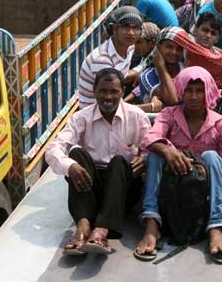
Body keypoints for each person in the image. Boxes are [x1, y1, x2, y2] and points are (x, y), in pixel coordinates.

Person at [135, 67, 222, 264]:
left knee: (212, 156)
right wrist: (168, 151)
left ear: (207, 93)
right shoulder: (169, 115)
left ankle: (216, 226)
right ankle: (152, 223)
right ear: (181, 91)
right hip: (171, 185)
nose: (194, 96)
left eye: (199, 91)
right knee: (155, 155)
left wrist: (203, 171)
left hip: (201, 189)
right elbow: (150, 137)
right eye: (189, 90)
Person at [46, 68, 150, 255]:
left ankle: (101, 231)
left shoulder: (137, 116)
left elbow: (151, 147)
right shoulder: (81, 118)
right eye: (103, 91)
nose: (108, 97)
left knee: (118, 162)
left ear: (122, 92)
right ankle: (83, 226)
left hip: (123, 189)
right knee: (76, 155)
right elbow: (53, 149)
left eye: (114, 91)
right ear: (94, 91)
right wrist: (71, 167)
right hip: (91, 187)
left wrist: (144, 159)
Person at [78, 7, 143, 108]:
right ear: (114, 29)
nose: (131, 32)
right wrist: (150, 106)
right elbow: (108, 103)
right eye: (126, 27)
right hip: (95, 115)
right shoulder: (102, 60)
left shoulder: (130, 47)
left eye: (135, 28)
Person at [127, 28, 183, 113]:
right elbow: (172, 101)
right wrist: (161, 67)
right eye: (169, 46)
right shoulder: (147, 76)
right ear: (158, 47)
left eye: (179, 48)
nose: (174, 52)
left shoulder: (187, 70)